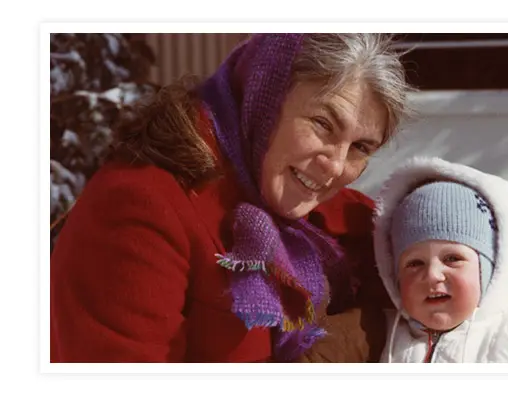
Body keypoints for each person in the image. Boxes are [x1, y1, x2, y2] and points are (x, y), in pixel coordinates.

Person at [50, 33, 411, 362]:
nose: (334, 166)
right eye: (322, 124)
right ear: (264, 98)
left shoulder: (324, 213)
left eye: (360, 147)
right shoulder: (140, 208)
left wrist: (360, 333)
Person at [370, 155, 508, 362]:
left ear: (488, 268)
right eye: (414, 263)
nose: (432, 275)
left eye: (452, 258)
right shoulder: (382, 336)